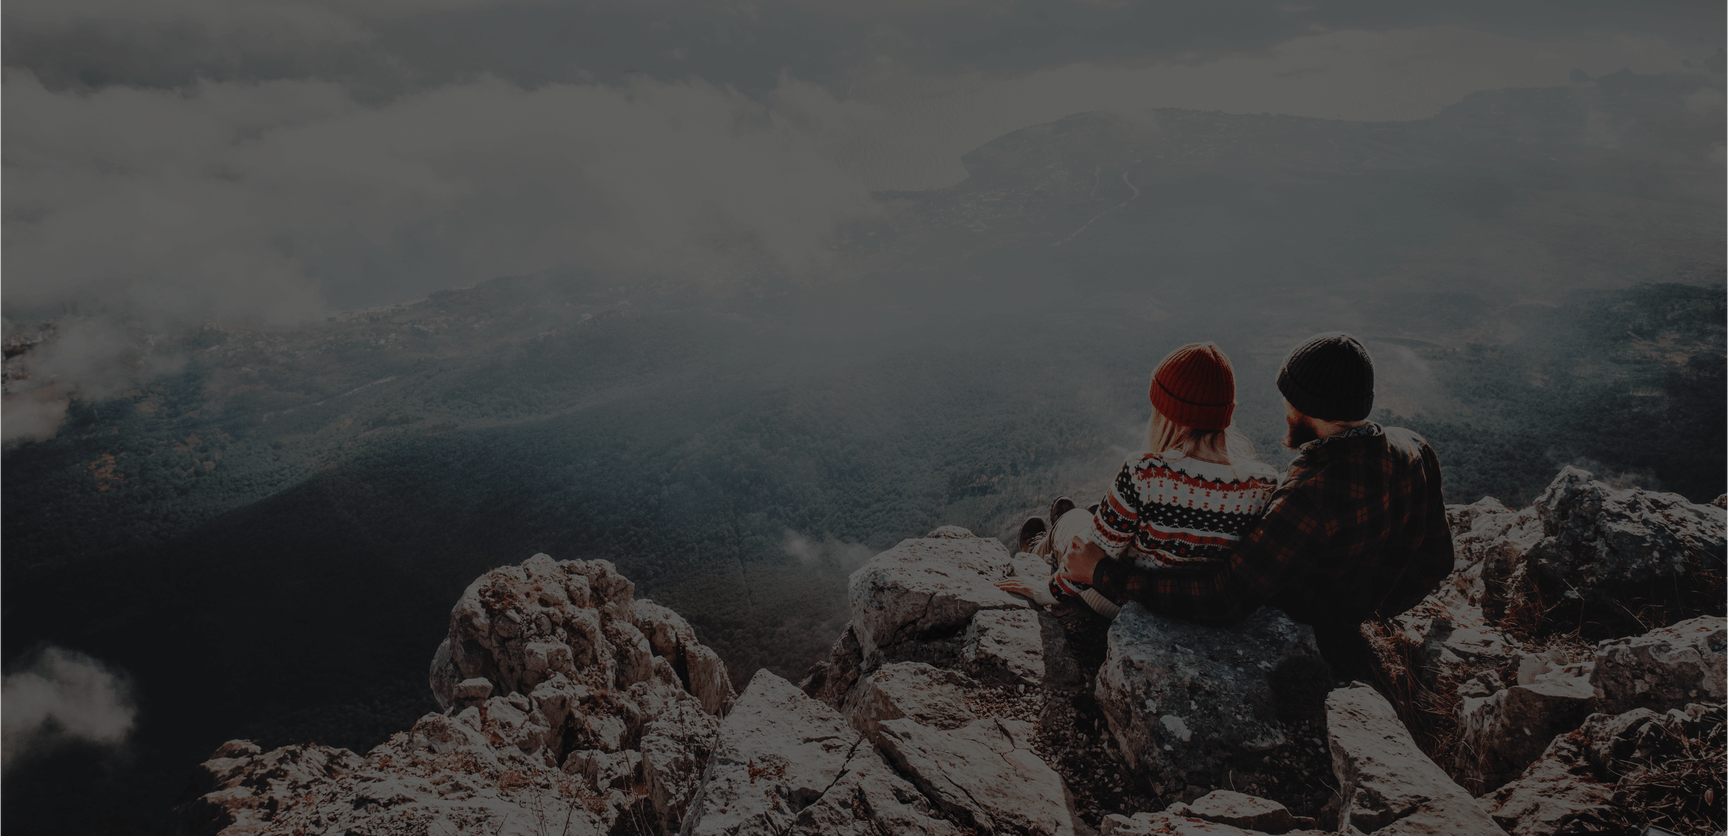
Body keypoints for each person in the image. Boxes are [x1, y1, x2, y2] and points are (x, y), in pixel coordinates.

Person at [1058, 332, 1455, 682]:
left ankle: (1054, 533)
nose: (1283, 408)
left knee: (1077, 521)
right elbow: (1437, 560)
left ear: (1304, 405)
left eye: (1287, 398)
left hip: (1306, 636)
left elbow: (1221, 597)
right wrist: (1375, 607)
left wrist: (1102, 573)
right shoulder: (1414, 448)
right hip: (1350, 617)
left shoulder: (1307, 498)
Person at [997, 342, 1278, 623]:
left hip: (1126, 604)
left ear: (1166, 412)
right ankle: (1103, 521)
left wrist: (1043, 591)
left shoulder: (1143, 472)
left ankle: (1036, 551)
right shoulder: (1264, 485)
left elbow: (1088, 561)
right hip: (1200, 611)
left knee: (1073, 520)